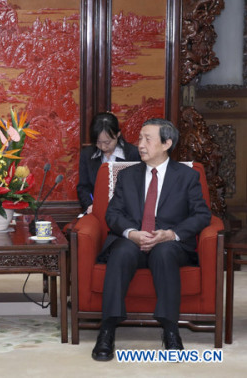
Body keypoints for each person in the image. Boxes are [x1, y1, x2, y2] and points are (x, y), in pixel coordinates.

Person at [91, 118, 211, 362]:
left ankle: (170, 330)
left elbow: (202, 215)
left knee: (164, 252)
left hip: (170, 243)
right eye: (140, 138)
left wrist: (170, 234)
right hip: (132, 240)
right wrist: (131, 233)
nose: (140, 144)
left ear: (166, 143)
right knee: (121, 251)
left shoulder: (187, 176)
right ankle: (107, 330)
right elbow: (113, 214)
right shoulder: (128, 175)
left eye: (148, 139)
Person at [76, 112, 140, 214]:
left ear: (118, 135)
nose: (103, 147)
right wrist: (89, 205)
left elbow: (138, 188)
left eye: (107, 142)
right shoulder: (87, 155)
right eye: (98, 142)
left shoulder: (133, 154)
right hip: (96, 212)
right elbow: (83, 187)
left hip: (126, 213)